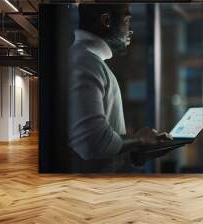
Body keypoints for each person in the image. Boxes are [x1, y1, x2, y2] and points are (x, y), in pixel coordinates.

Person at [68, 3, 172, 173]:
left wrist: (134, 151)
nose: (130, 30)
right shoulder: (86, 62)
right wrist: (139, 139)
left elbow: (97, 145)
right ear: (107, 20)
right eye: (127, 20)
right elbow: (93, 143)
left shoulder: (88, 60)